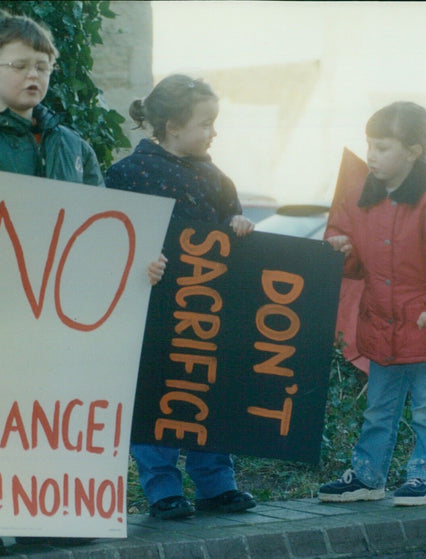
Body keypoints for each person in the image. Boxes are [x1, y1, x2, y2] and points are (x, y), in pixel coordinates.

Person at [0, 11, 134, 556]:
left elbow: (101, 221)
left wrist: (135, 264)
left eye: (41, 66)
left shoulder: (73, 146)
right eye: (19, 65)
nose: (32, 75)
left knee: (47, 407)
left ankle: (50, 516)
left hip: (56, 313)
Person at [104, 74, 256, 520]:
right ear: (172, 125)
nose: (213, 132)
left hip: (207, 309)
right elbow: (111, 239)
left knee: (209, 389)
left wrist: (240, 228)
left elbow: (232, 225)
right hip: (150, 310)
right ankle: (162, 490)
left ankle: (217, 484)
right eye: (206, 123)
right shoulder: (127, 174)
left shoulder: (217, 177)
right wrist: (137, 266)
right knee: (155, 394)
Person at [317, 102, 426, 506]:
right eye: (370, 145)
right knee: (378, 409)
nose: (372, 155)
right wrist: (342, 250)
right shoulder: (361, 198)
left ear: (412, 151)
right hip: (382, 327)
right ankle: (368, 476)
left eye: (383, 147)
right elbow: (352, 253)